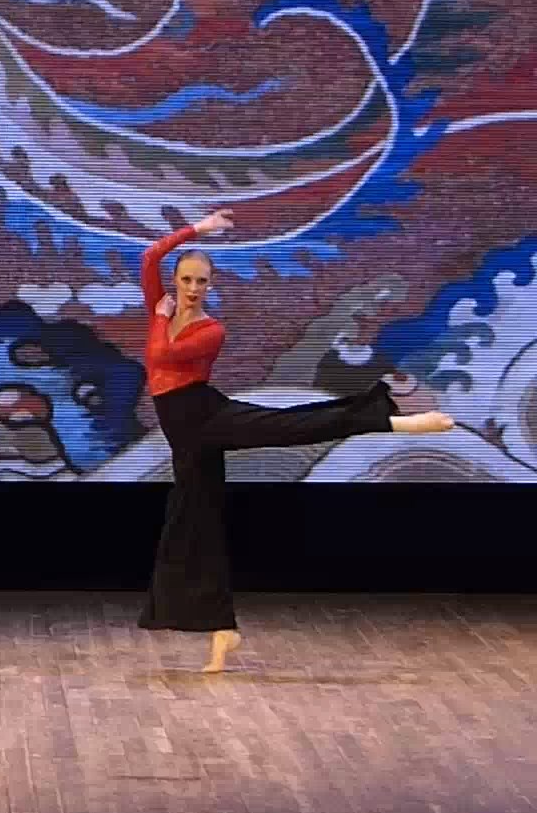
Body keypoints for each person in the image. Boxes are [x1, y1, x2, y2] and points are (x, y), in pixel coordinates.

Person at [136, 208, 455, 672]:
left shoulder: (210, 330)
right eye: (186, 279)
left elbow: (163, 354)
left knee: (291, 426)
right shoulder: (162, 304)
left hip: (204, 417)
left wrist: (161, 316)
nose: (192, 288)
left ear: (210, 285)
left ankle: (391, 422)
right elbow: (150, 256)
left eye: (201, 281)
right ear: (176, 280)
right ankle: (221, 628)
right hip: (185, 435)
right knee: (191, 524)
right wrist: (198, 230)